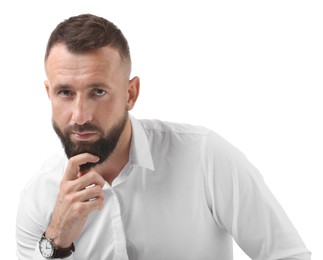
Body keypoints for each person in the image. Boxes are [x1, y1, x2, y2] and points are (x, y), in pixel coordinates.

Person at [16, 13, 311, 260]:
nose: (80, 115)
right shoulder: (39, 197)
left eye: (99, 92)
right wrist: (56, 240)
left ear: (130, 94)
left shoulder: (204, 158)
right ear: (49, 94)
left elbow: (288, 255)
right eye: (65, 92)